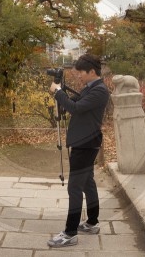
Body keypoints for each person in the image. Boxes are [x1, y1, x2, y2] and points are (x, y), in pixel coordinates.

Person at [47, 53, 110, 248]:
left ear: (92, 72)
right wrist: (61, 90)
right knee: (87, 183)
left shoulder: (100, 91)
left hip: (86, 144)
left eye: (81, 73)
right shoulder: (90, 88)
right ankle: (92, 222)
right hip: (84, 142)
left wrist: (58, 93)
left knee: (74, 187)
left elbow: (76, 108)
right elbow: (75, 102)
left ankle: (70, 233)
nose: (79, 77)